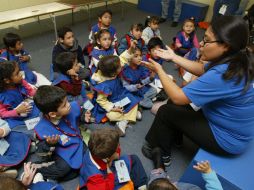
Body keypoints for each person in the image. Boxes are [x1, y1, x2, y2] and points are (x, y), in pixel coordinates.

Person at [141, 16, 254, 167]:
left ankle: (161, 154)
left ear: (225, 45)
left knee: (166, 110)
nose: (201, 43)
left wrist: (159, 70)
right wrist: (174, 57)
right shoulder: (237, 58)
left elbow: (177, 97)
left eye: (206, 40)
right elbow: (201, 69)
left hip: (226, 139)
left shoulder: (223, 74)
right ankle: (176, 139)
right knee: (183, 106)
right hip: (233, 128)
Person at [34, 85, 87, 181]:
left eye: (67, 101)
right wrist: (48, 143)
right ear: (53, 114)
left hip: (78, 142)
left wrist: (84, 116)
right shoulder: (42, 129)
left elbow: (80, 112)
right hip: (62, 151)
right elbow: (41, 152)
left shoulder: (71, 107)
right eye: (64, 105)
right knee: (63, 169)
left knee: (88, 158)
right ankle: (35, 169)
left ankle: (54, 178)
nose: (69, 105)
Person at [79, 127, 147, 190]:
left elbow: (116, 152)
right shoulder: (94, 176)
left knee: (134, 159)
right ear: (108, 157)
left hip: (107, 165)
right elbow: (107, 188)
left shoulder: (94, 146)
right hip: (103, 180)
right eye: (118, 146)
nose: (119, 146)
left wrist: (114, 157)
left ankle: (142, 186)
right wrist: (110, 175)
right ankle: (141, 185)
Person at [91, 55, 141, 136]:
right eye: (119, 66)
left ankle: (125, 119)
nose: (121, 65)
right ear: (113, 72)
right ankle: (128, 118)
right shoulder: (104, 85)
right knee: (112, 116)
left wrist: (130, 50)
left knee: (133, 99)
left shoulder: (112, 72)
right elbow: (101, 101)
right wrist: (114, 108)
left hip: (120, 95)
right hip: (111, 102)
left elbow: (123, 59)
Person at [0, 61, 40, 138]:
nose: (21, 74)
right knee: (13, 128)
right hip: (15, 117)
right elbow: (3, 114)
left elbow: (30, 90)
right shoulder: (1, 96)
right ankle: (34, 135)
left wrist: (35, 93)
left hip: (28, 108)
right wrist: (17, 111)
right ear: (7, 80)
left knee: (41, 109)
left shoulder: (21, 82)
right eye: (17, 73)